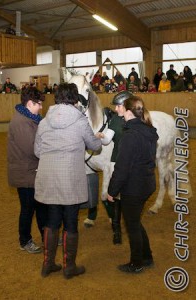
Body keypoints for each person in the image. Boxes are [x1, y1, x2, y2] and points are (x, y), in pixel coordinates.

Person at [34, 83, 102, 278]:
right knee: (70, 222)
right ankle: (69, 267)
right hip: (70, 178)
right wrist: (96, 138)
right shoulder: (80, 120)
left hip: (48, 177)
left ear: (56, 98)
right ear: (74, 98)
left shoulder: (44, 122)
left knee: (52, 220)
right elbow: (94, 146)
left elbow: (37, 151)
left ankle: (48, 264)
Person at [108, 95, 159, 274]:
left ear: (128, 112)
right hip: (146, 183)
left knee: (132, 225)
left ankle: (137, 263)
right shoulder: (149, 130)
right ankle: (147, 257)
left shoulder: (130, 136)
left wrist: (111, 191)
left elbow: (122, 168)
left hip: (134, 187)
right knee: (136, 221)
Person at [84, 91, 133, 246]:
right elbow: (107, 141)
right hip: (116, 162)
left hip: (132, 164)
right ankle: (116, 230)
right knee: (116, 197)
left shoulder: (138, 121)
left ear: (127, 105)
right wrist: (100, 136)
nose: (116, 109)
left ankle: (128, 225)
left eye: (118, 106)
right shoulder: (115, 121)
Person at [7, 87, 48, 254]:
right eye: (39, 104)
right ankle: (25, 241)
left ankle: (46, 236)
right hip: (25, 173)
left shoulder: (30, 119)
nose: (41, 107)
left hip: (32, 171)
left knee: (40, 207)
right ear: (30, 103)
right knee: (28, 209)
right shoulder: (21, 122)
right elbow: (32, 149)